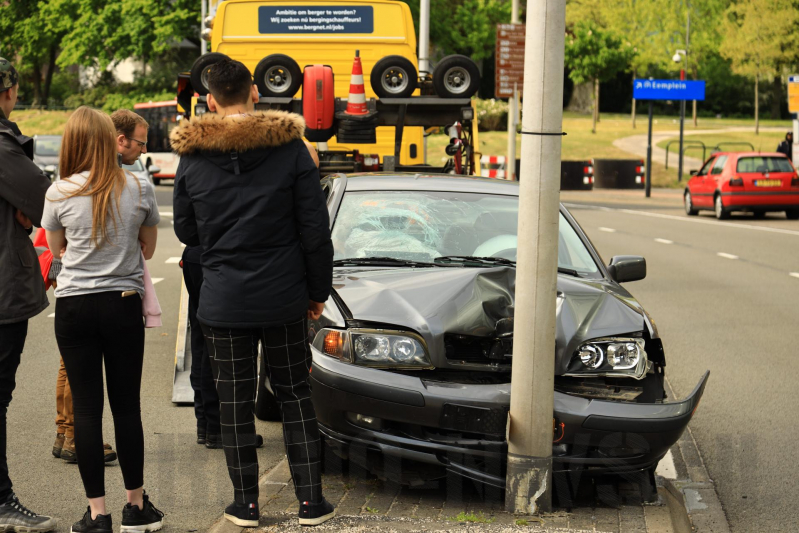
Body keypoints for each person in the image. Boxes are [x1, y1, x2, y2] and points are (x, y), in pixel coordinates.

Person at [171, 58, 335, 528]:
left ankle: (245, 503)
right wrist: (316, 290)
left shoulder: (193, 158)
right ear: (256, 93)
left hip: (222, 299)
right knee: (295, 393)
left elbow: (185, 229)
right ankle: (310, 502)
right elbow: (314, 230)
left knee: (235, 399)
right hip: (284, 296)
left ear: (209, 100)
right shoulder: (292, 151)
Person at [42, 106, 163, 533]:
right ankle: (137, 507)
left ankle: (98, 515)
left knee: (88, 412)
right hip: (123, 302)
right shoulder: (137, 185)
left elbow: (58, 251)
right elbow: (148, 247)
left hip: (74, 308)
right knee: (127, 407)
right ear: (106, 140)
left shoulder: (57, 192)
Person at [0, 57, 58, 532]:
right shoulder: (2, 147)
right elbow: (47, 204)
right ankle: (1, 501)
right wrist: (25, 210)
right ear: (8, 93)